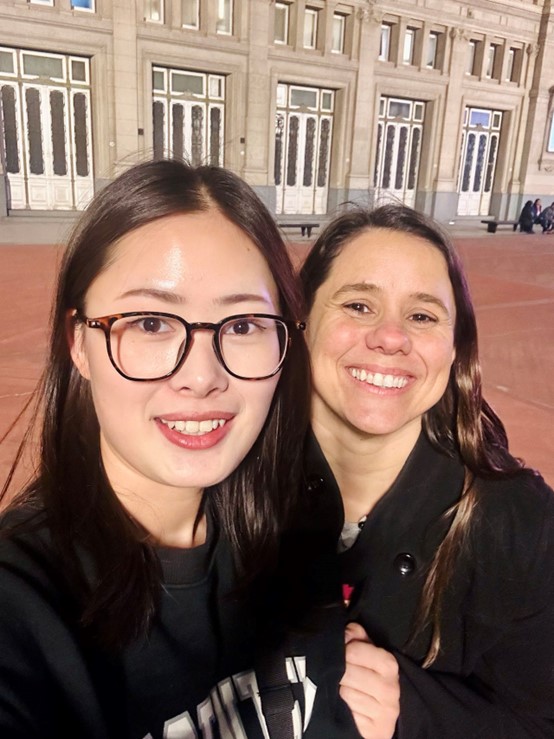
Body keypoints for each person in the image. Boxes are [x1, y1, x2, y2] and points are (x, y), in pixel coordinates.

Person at [0, 160, 399, 738]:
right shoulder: (23, 607)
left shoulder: (294, 531)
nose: (202, 376)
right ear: (77, 344)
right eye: (150, 323)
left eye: (241, 326)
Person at [299, 204, 554, 737]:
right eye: (359, 305)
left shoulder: (521, 527)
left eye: (422, 315)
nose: (391, 337)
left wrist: (412, 711)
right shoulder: (219, 488)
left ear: (455, 348)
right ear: (301, 322)